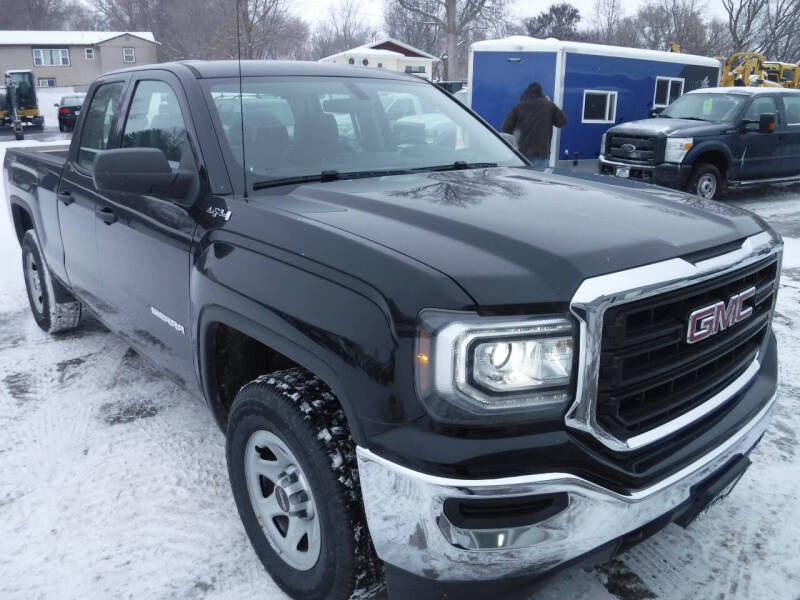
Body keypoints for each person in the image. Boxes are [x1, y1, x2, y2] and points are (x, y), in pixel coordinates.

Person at [501, 82, 567, 168]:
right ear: (540, 93)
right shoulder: (549, 106)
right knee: (539, 179)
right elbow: (562, 122)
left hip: (523, 154)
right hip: (543, 153)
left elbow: (505, 129)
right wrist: (551, 103)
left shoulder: (519, 107)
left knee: (524, 178)